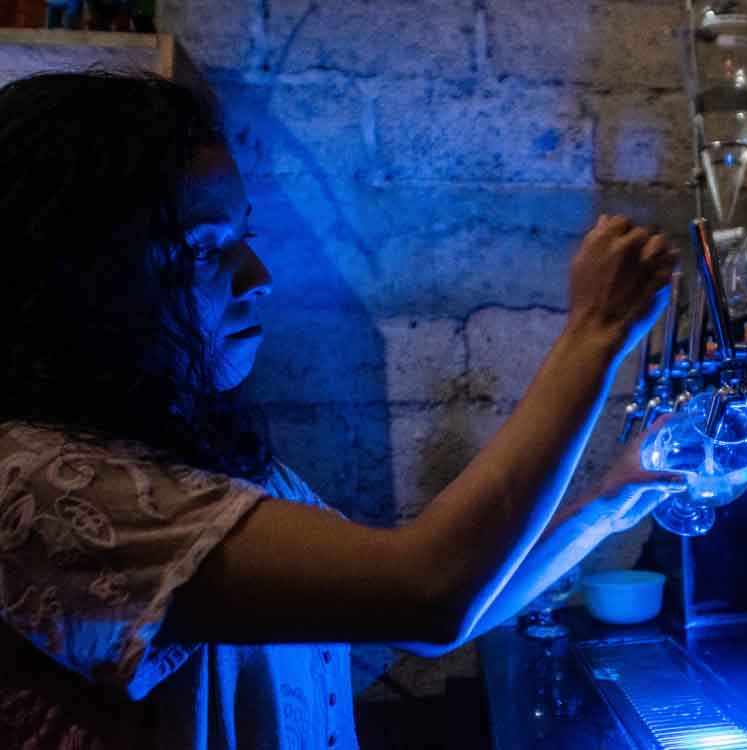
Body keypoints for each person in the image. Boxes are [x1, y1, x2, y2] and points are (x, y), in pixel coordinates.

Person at [0, 71, 683, 749]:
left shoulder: (197, 469)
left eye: (245, 238)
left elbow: (432, 607)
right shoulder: (39, 483)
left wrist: (605, 504)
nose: (258, 279)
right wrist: (596, 332)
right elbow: (427, 592)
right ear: (85, 279)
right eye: (205, 249)